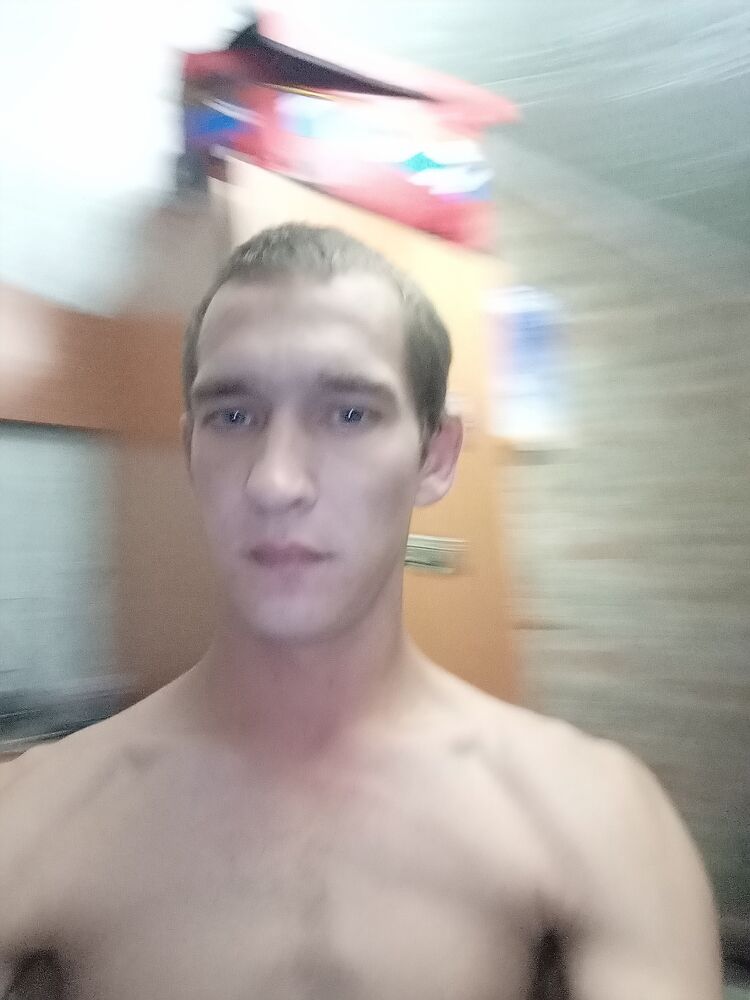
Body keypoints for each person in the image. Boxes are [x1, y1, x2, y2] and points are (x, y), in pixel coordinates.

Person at [0, 224, 721, 999]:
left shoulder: (593, 811)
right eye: (233, 416)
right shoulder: (40, 814)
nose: (275, 483)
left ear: (435, 456)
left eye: (348, 414)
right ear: (190, 452)